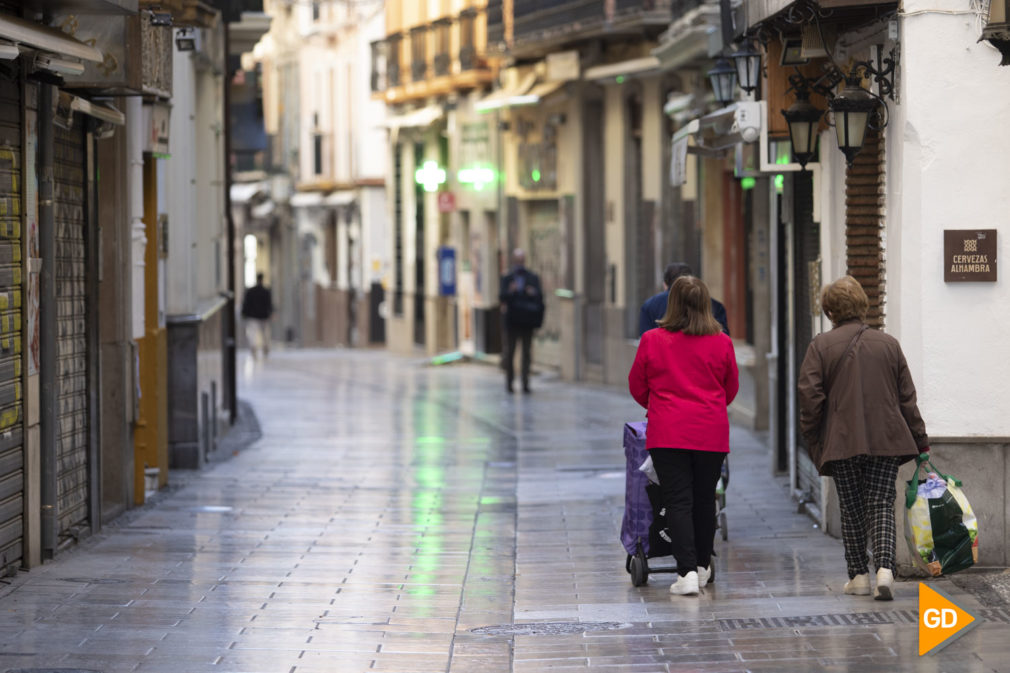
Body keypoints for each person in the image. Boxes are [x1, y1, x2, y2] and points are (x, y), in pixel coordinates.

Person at [797, 276, 929, 601]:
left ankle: (858, 576)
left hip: (842, 440)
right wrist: (920, 439)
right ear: (862, 305)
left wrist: (813, 436)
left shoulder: (820, 346)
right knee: (882, 501)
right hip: (886, 437)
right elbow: (906, 398)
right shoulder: (889, 344)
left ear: (830, 311)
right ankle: (885, 568)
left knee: (852, 506)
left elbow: (809, 396)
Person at [628, 276, 738, 596]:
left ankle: (686, 572)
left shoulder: (652, 340)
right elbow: (730, 388)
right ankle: (702, 566)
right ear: (706, 304)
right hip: (710, 432)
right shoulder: (723, 342)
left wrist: (660, 405)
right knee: (706, 501)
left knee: (678, 500)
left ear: (671, 302)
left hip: (668, 432)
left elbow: (637, 386)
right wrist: (711, 406)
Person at [639, 263, 729, 338]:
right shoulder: (715, 306)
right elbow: (724, 336)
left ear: (665, 284)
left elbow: (644, 340)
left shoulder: (649, 305)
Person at [499, 248, 544, 394]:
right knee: (510, 352)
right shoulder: (507, 278)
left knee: (526, 353)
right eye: (517, 260)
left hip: (527, 321)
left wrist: (532, 293)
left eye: (522, 260)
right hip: (512, 321)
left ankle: (525, 383)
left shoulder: (532, 277)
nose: (520, 263)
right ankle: (509, 383)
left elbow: (540, 298)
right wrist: (510, 291)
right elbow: (501, 297)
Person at [241, 272, 274, 359]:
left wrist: (244, 313)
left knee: (253, 334)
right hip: (263, 316)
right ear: (262, 279)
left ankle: (254, 347)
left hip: (253, 316)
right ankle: (265, 347)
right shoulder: (266, 291)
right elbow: (269, 304)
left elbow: (246, 303)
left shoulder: (250, 291)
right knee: (265, 334)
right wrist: (270, 313)